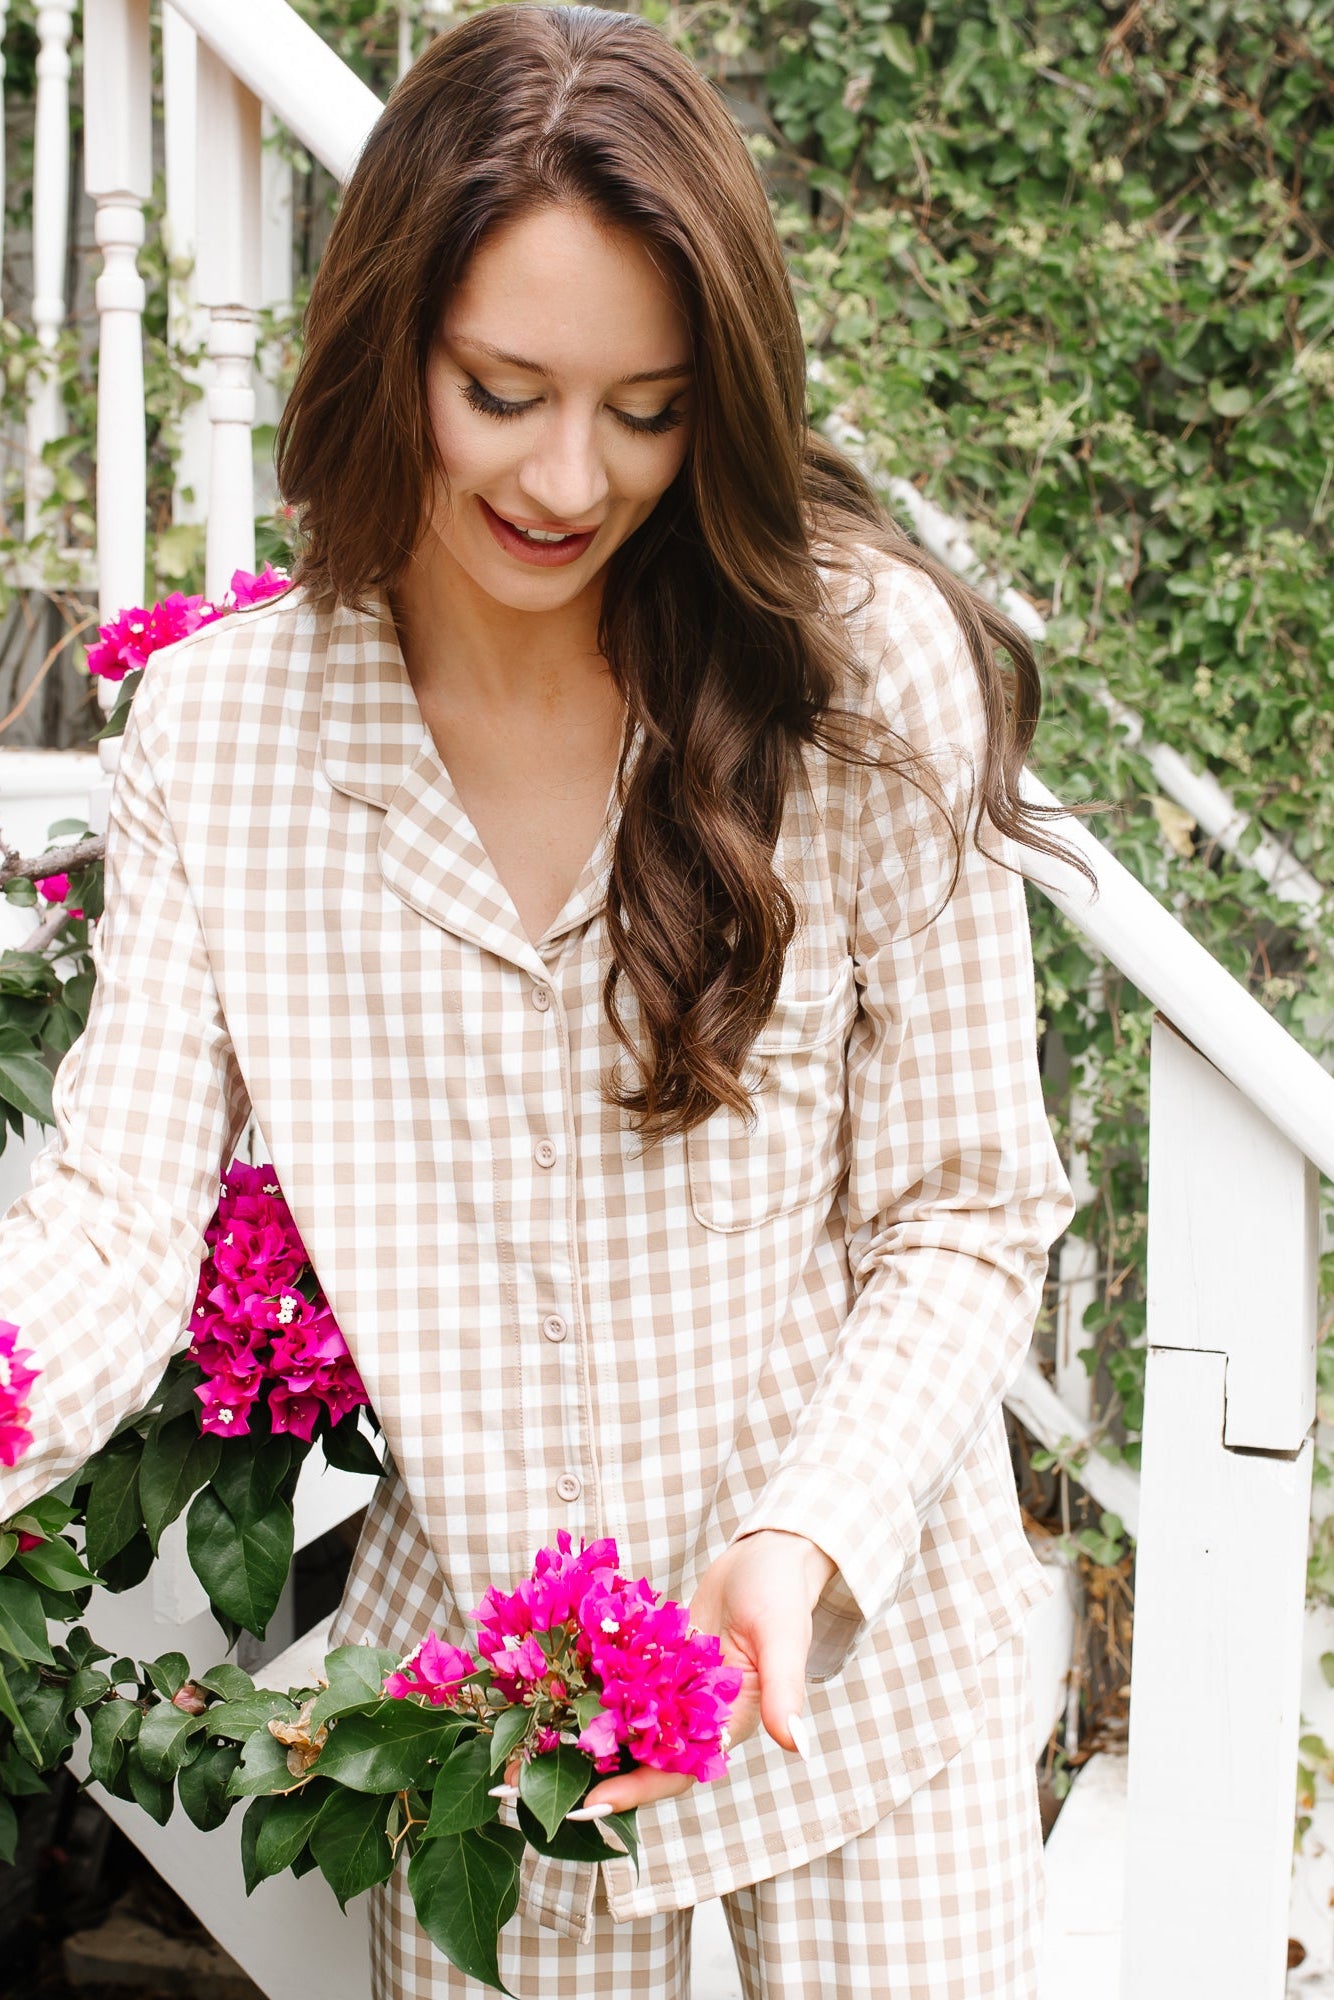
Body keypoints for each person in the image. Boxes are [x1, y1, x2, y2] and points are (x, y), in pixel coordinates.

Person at [0, 6, 1077, 1995]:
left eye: (647, 411)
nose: (571, 477)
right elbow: (117, 1222)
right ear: (387, 343)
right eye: (502, 390)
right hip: (508, 1763)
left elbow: (961, 1213)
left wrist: (806, 1532)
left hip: (860, 1733)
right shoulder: (224, 741)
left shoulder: (857, 686)